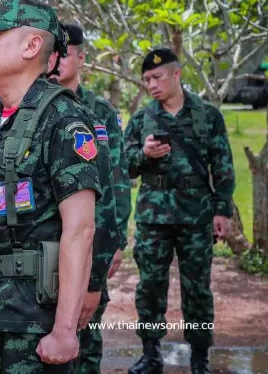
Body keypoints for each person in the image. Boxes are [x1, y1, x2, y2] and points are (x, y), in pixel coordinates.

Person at [0, 0, 100, 373]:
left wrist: (64, 330)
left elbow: (81, 230)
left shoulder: (64, 120)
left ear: (31, 45)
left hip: (31, 327)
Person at [124, 48, 235, 374]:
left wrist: (222, 211)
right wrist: (144, 154)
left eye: (157, 77)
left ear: (176, 74)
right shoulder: (143, 118)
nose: (151, 85)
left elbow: (223, 167)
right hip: (153, 217)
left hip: (195, 215)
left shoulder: (207, 115)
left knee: (197, 289)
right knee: (150, 288)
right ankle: (151, 355)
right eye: (146, 80)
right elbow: (124, 166)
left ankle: (200, 358)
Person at [47, 24, 131, 373]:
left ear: (81, 58)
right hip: (45, 243)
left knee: (87, 338)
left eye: (68, 53)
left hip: (89, 242)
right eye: (56, 51)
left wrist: (116, 241)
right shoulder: (30, 105)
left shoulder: (100, 111)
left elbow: (116, 181)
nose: (60, 60)